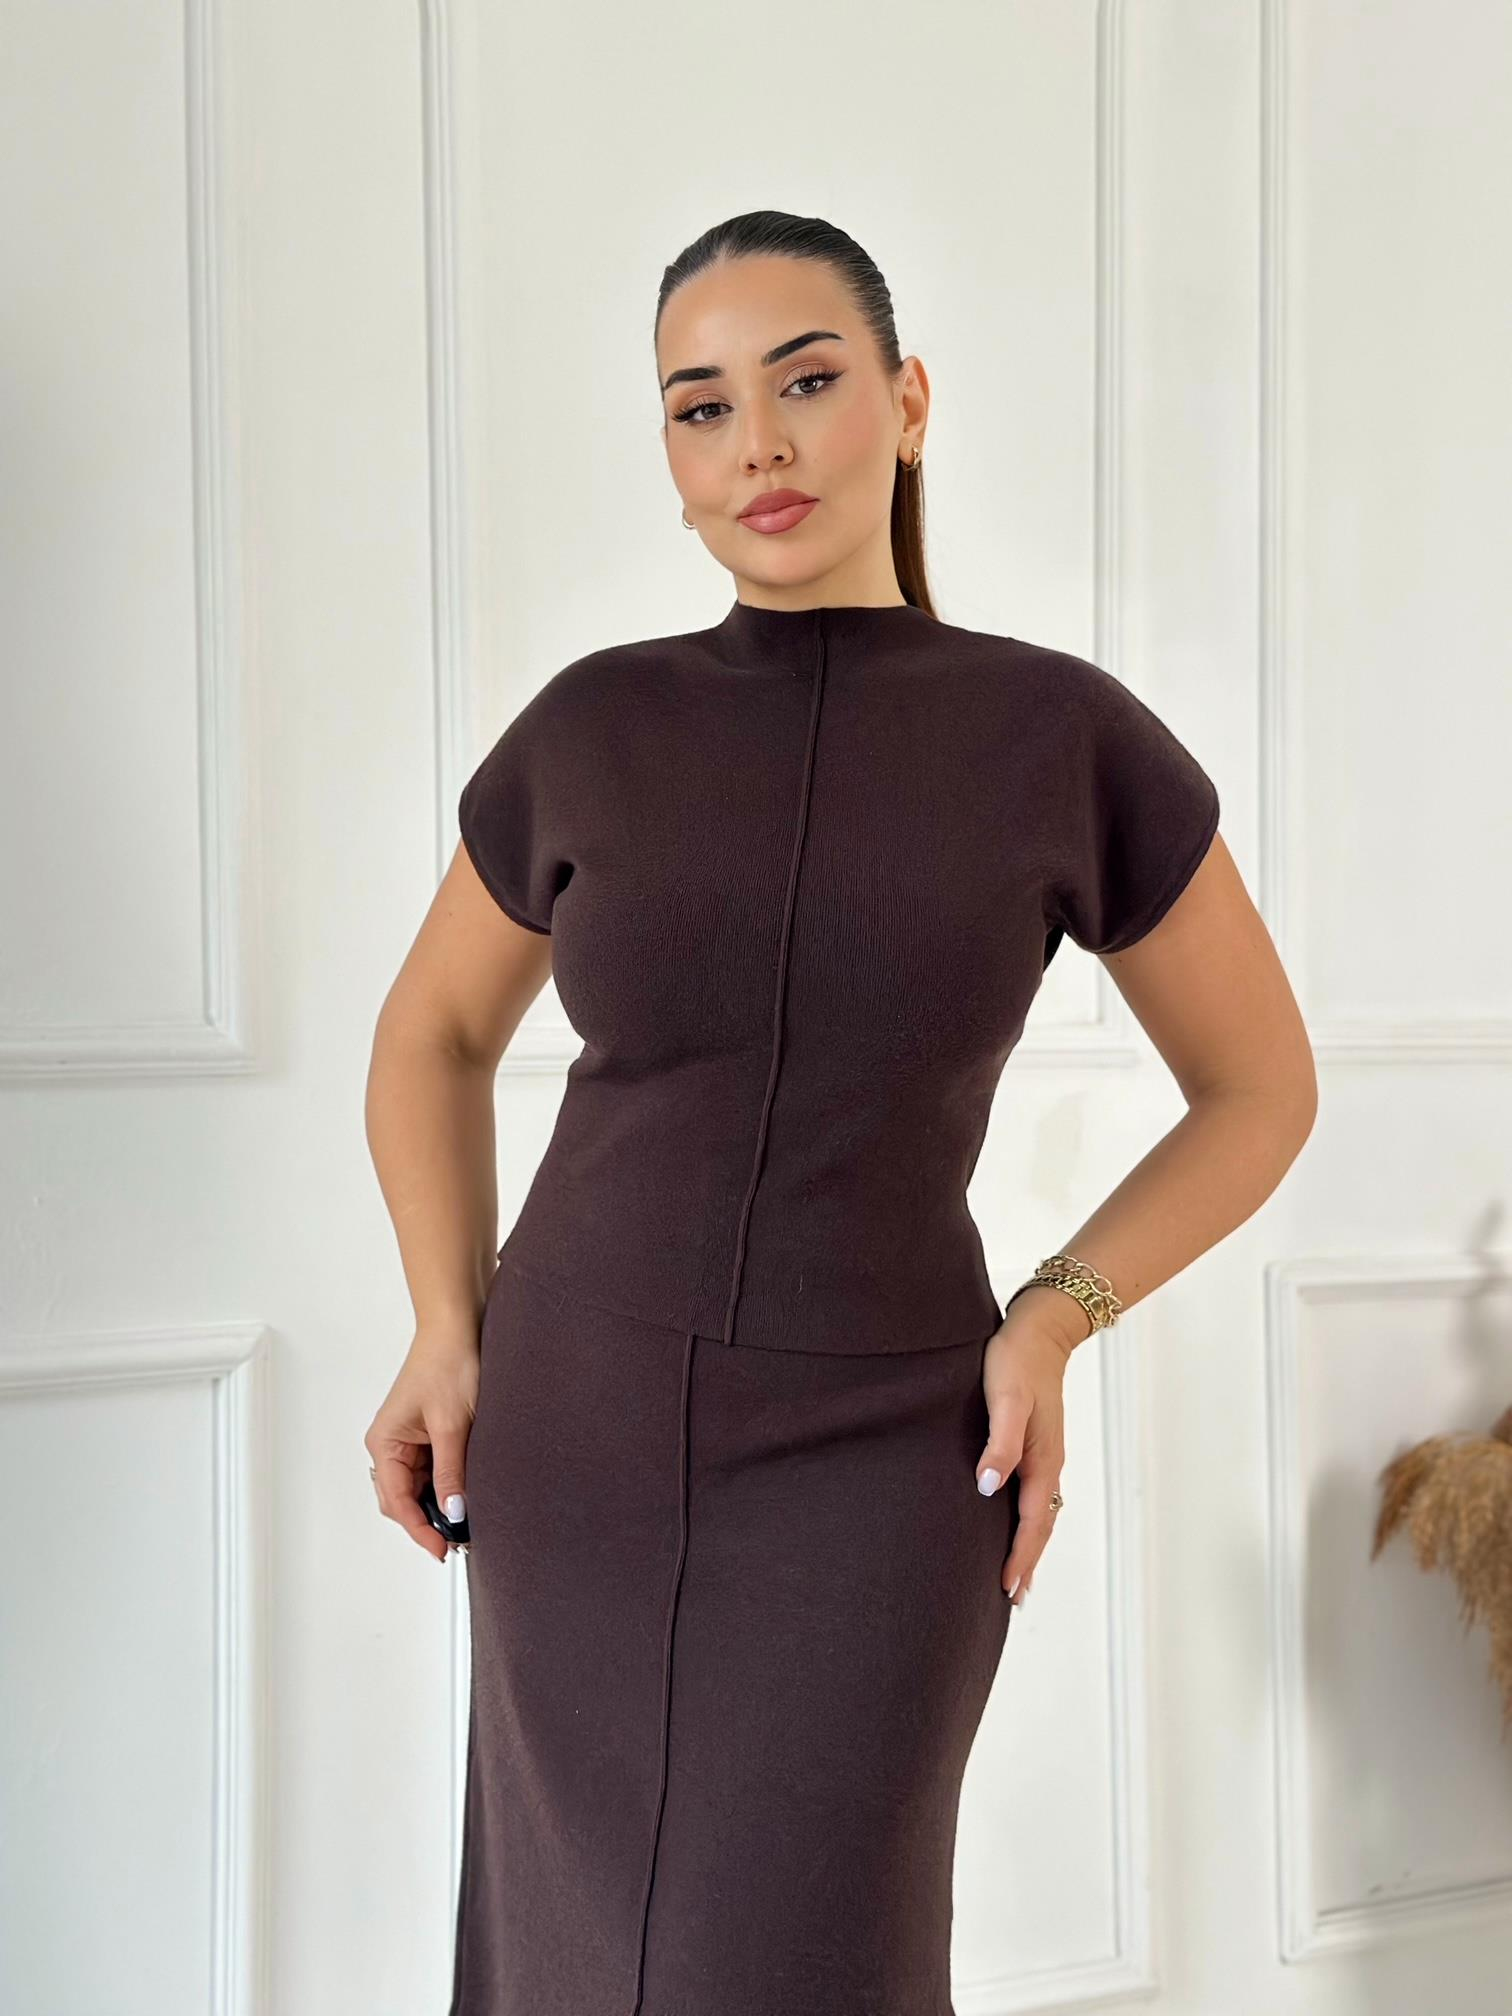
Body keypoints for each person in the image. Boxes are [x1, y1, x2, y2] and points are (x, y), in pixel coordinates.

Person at [363, 209, 1316, 2016]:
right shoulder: (592, 725)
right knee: (567, 1952)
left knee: (812, 1956)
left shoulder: (1063, 736)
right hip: (578, 1422)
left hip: (888, 1453)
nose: (759, 446)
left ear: (910, 400)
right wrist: (444, 1323)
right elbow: (429, 1035)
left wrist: (1059, 1311)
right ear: (671, 457)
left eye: (805, 382)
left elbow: (1260, 1090)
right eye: (701, 408)